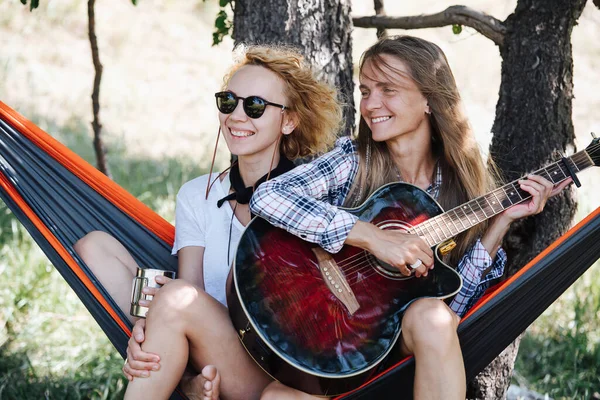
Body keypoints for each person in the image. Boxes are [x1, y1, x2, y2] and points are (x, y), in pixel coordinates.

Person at [249, 35, 572, 400]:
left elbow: (454, 313)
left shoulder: (460, 194)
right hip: (328, 336)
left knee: (433, 318)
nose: (371, 104)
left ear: (430, 100)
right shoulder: (354, 161)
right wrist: (371, 236)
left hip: (395, 359)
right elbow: (269, 196)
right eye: (366, 90)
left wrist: (498, 225)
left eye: (388, 89)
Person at [75, 45, 341, 400]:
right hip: (219, 356)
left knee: (176, 300)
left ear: (289, 120)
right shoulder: (197, 195)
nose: (237, 116)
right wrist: (166, 354)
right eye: (229, 102)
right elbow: (190, 296)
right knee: (95, 247)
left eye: (256, 106)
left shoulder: (314, 199)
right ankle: (160, 364)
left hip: (287, 375)